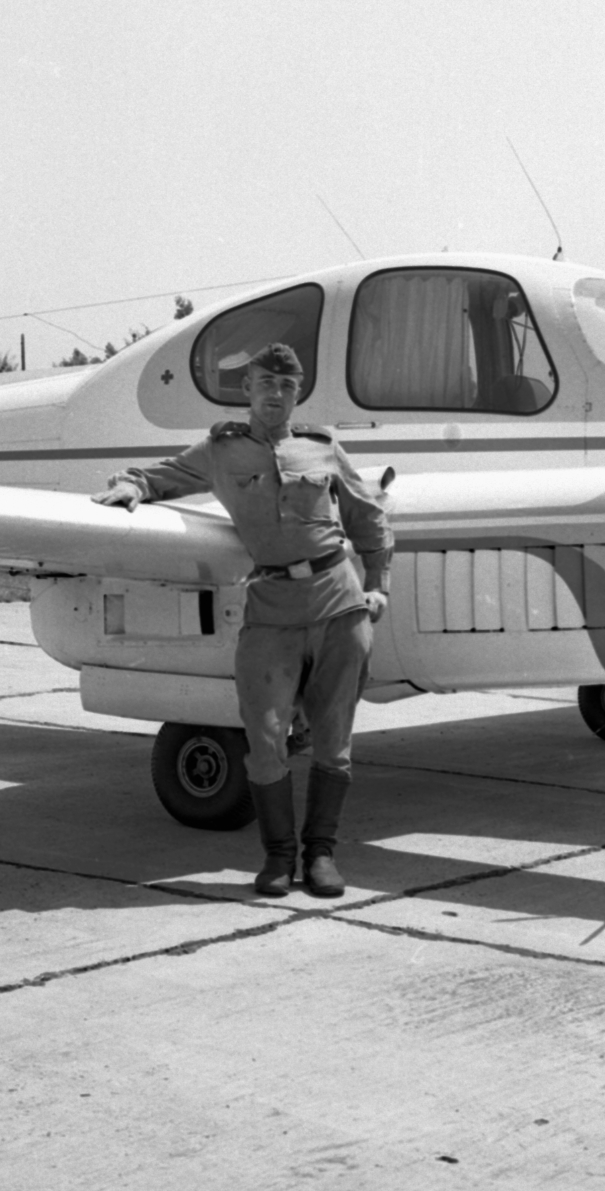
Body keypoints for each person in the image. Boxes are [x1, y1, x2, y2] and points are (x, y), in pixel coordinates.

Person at [92, 343, 392, 898]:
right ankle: (279, 858)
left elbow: (366, 513)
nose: (274, 395)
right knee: (266, 737)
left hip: (337, 602)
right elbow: (166, 476)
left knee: (334, 740)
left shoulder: (322, 447)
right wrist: (133, 484)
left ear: (295, 392)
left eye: (285, 386)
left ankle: (320, 855)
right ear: (247, 390)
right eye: (264, 385)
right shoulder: (221, 449)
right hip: (272, 607)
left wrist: (378, 586)